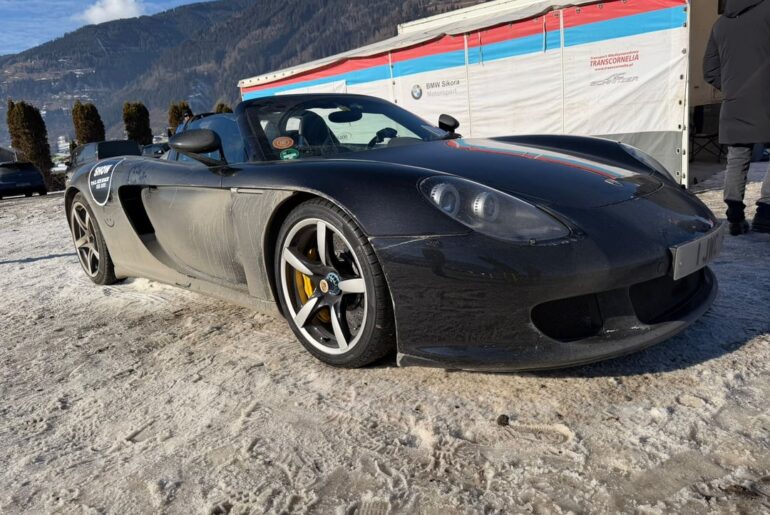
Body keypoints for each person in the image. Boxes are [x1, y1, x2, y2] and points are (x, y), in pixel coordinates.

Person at [703, 0, 770, 235]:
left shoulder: (720, 24)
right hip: (766, 101)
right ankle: (765, 213)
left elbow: (709, 70)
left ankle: (734, 217)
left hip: (734, 105)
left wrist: (732, 89)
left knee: (737, 159)